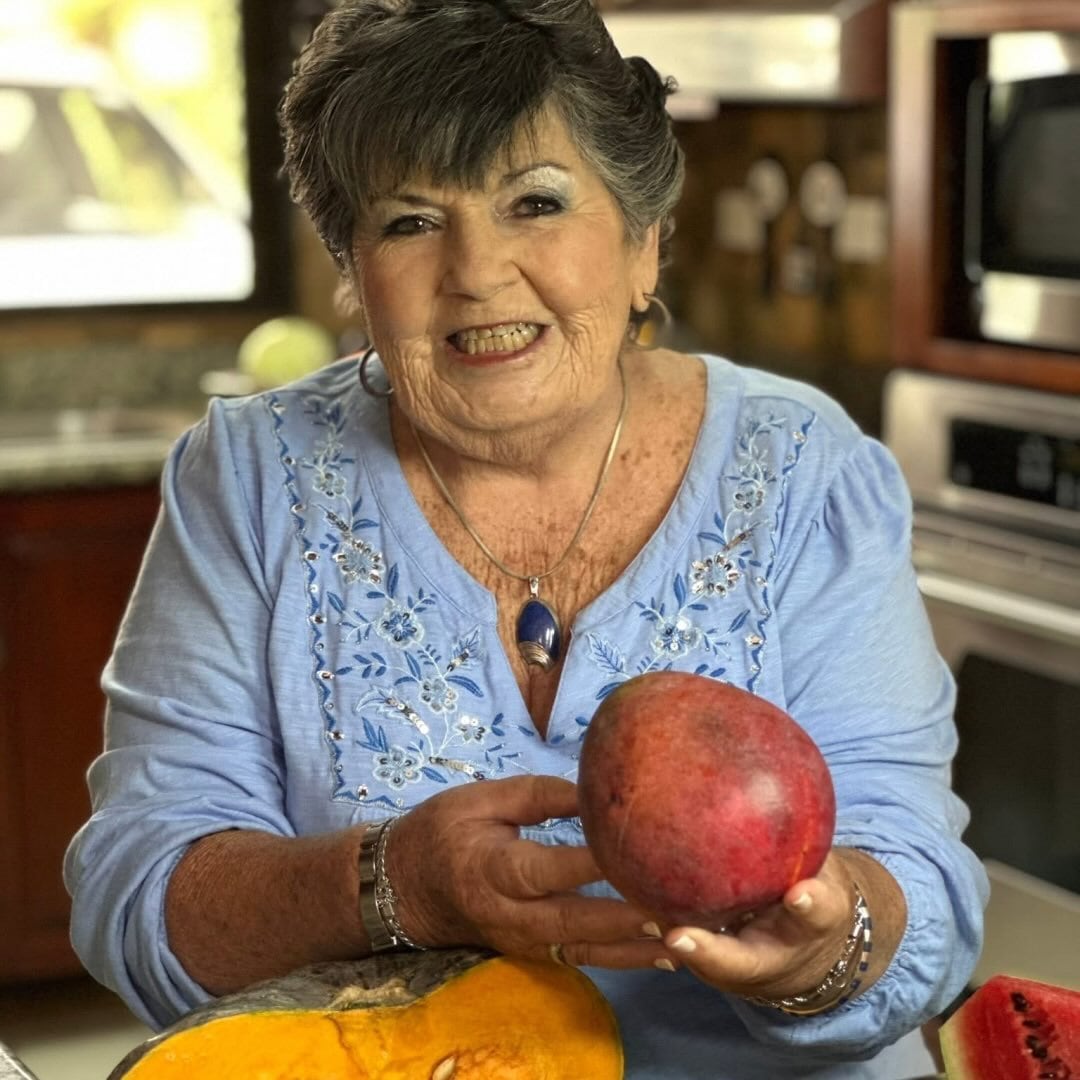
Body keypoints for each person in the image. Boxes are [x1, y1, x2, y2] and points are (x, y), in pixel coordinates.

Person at [65, 1, 988, 1076]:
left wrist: (830, 946)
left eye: (534, 203)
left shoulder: (800, 468)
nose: (478, 271)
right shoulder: (249, 476)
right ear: (351, 271)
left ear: (644, 245)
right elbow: (140, 896)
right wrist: (397, 884)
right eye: (410, 222)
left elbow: (921, 885)